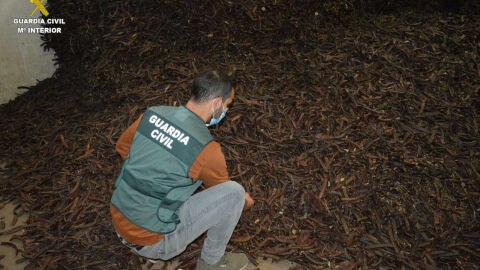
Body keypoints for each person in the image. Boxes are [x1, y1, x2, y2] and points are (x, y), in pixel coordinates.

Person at [110, 69, 254, 270]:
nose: (226, 111)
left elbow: (123, 147)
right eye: (227, 105)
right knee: (235, 193)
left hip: (118, 221)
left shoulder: (152, 114)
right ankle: (212, 263)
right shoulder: (206, 150)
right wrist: (246, 200)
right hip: (154, 241)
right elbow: (223, 191)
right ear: (216, 102)